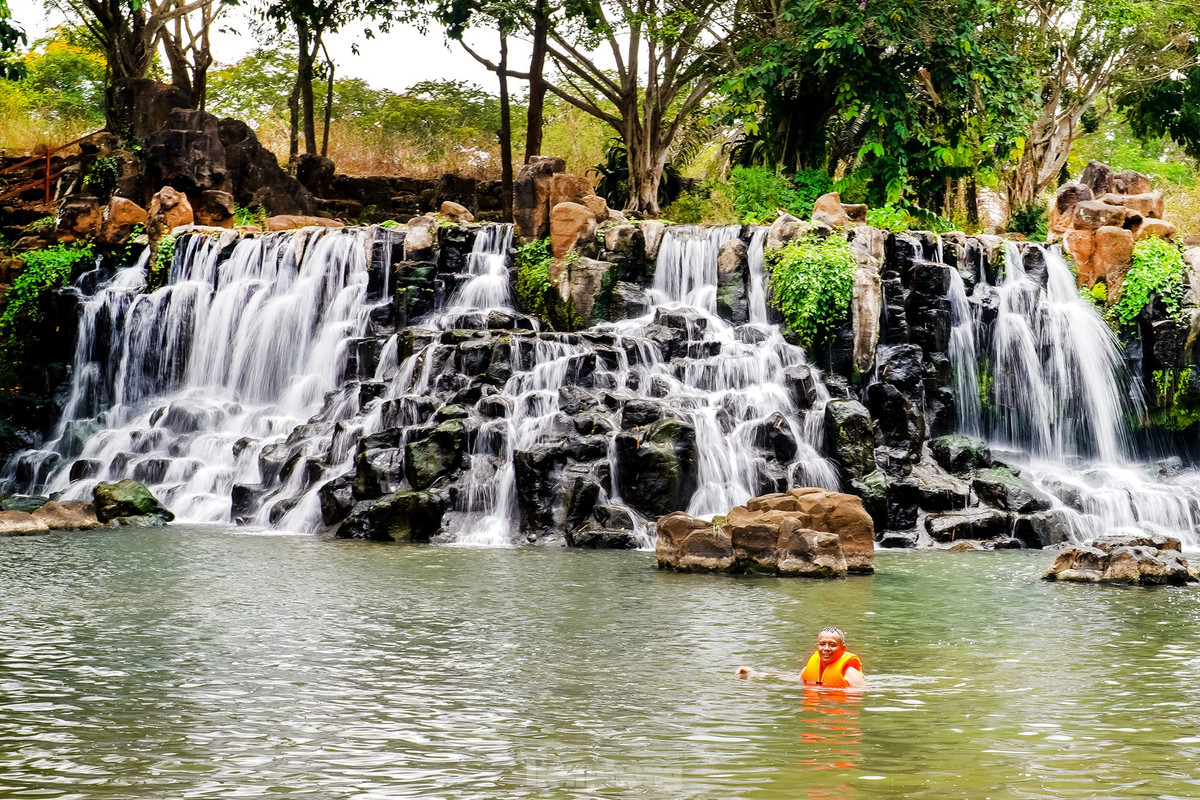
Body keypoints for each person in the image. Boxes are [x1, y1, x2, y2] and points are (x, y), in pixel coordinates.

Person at [736, 626, 866, 689]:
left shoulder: (851, 674)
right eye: (822, 644)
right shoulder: (808, 669)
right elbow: (792, 679)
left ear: (842, 649)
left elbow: (863, 695)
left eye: (832, 645)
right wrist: (754, 673)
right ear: (817, 646)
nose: (826, 648)